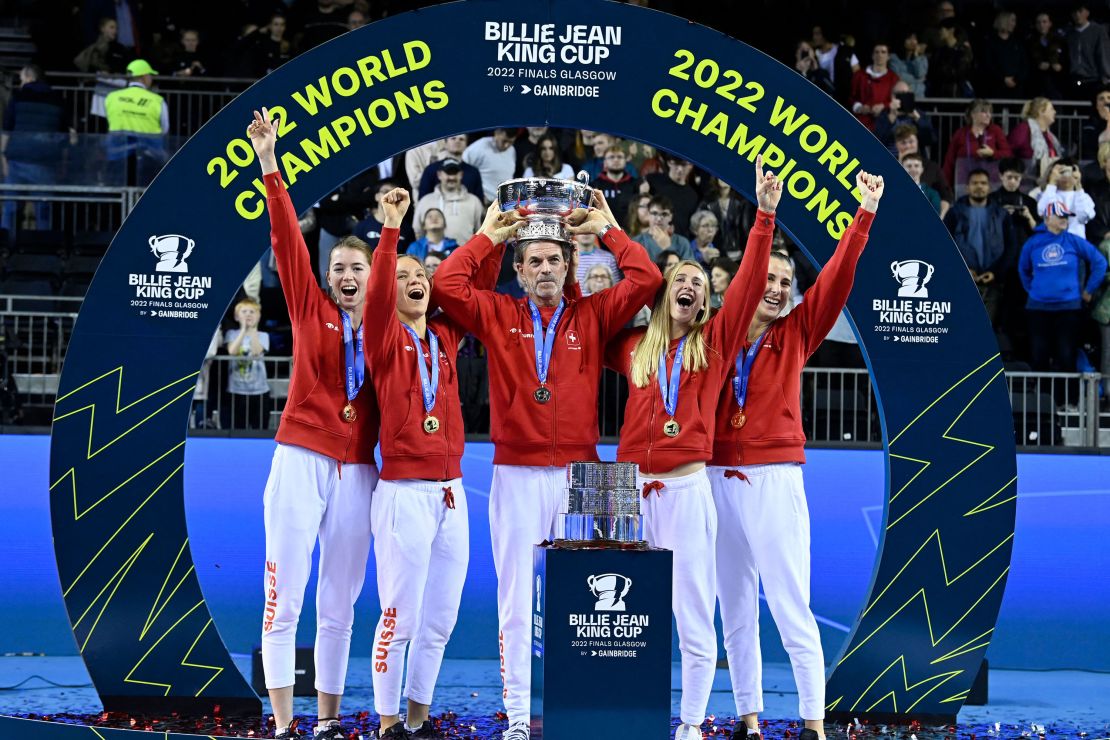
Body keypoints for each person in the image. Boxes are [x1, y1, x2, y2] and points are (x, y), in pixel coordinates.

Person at [431, 190, 661, 740]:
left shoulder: (594, 314)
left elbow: (648, 278)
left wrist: (606, 227)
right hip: (515, 472)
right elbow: (445, 286)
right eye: (533, 259)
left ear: (569, 264)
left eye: (555, 259)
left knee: (596, 604)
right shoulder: (499, 312)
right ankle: (516, 717)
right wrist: (491, 233)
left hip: (590, 475)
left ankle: (585, 709)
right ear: (518, 266)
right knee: (515, 598)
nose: (545, 268)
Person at [604, 156, 780, 740]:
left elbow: (752, 280)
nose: (689, 287)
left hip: (685, 489)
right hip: (626, 491)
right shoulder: (631, 348)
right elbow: (589, 314)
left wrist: (766, 217)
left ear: (706, 303)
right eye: (680, 279)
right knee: (617, 615)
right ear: (664, 292)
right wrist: (601, 229)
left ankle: (691, 724)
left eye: (699, 286)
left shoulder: (715, 344)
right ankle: (619, 711)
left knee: (692, 612)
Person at [709, 170, 883, 740]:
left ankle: (814, 723)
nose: (779, 288)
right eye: (771, 276)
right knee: (733, 610)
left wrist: (862, 218)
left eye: (787, 281)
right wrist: (764, 216)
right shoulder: (717, 333)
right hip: (714, 478)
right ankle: (750, 721)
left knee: (788, 604)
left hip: (773, 479)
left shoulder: (799, 332)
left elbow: (834, 282)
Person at [248, 108, 380, 740]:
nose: (346, 276)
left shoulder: (388, 334)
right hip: (301, 457)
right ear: (328, 277)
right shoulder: (309, 309)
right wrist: (271, 166)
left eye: (358, 269)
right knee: (285, 597)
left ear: (372, 277)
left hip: (358, 471)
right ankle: (282, 725)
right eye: (339, 269)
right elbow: (285, 241)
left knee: (339, 605)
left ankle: (325, 721)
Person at [363, 187, 478, 739]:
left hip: (451, 493)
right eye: (404, 273)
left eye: (421, 275)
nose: (415, 279)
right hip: (404, 492)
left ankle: (417, 718)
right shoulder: (382, 336)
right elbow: (383, 290)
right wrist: (391, 230)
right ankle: (388, 725)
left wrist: (493, 234)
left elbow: (461, 281)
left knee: (440, 621)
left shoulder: (445, 337)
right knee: (399, 617)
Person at [1020, 201, 1108, 370]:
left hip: (1068, 309)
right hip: (1038, 309)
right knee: (1039, 356)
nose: (1064, 219)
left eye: (1066, 216)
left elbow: (1100, 263)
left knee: (1066, 355)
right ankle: (1043, 396)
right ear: (1047, 219)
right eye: (1060, 216)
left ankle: (1066, 397)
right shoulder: (1033, 243)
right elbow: (1023, 269)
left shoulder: (1073, 240)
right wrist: (1033, 291)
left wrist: (1089, 290)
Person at [943, 168, 1018, 324]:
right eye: (975, 183)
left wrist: (996, 273)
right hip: (962, 281)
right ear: (967, 187)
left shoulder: (1002, 214)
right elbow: (944, 246)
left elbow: (1011, 247)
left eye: (983, 183)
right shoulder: (954, 213)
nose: (979, 186)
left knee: (987, 331)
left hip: (993, 283)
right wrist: (963, 270)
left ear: (989, 187)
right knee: (961, 326)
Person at [1, 64, 67, 233]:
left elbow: (7, 129)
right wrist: (62, 163)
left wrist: (4, 159)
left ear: (30, 78)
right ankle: (44, 247)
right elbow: (64, 135)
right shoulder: (57, 98)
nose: (20, 83)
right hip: (45, 159)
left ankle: (6, 247)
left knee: (11, 208)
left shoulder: (18, 96)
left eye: (22, 79)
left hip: (18, 158)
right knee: (44, 210)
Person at [103, 59, 169, 185]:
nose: (151, 79)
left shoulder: (112, 97)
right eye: (150, 75)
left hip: (117, 155)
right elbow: (165, 128)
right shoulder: (157, 101)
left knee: (118, 195)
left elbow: (109, 119)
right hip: (149, 158)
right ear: (144, 77)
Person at [223, 297, 272, 430]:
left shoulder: (263, 335)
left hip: (259, 391)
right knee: (238, 428)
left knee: (259, 429)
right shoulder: (231, 334)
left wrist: (252, 330)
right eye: (244, 312)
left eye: (252, 312)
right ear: (236, 316)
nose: (248, 314)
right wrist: (244, 330)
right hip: (236, 390)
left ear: (258, 316)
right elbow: (232, 351)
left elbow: (256, 352)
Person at [942, 99, 1012, 186]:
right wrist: (945, 188)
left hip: (991, 183)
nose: (988, 115)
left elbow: (1008, 153)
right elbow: (949, 162)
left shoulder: (995, 131)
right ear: (973, 114)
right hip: (965, 182)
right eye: (984, 112)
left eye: (990, 112)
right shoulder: (960, 134)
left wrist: (993, 153)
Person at [413, 159, 485, 244]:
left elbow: (480, 232)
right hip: (432, 256)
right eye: (448, 173)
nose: (452, 177)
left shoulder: (474, 201)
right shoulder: (425, 201)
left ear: (461, 175)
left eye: (455, 173)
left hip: (465, 256)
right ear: (439, 175)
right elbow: (418, 231)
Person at [1036, 158, 1096, 239]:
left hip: (1076, 243)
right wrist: (1052, 182)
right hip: (1053, 241)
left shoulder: (1083, 196)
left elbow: (1084, 216)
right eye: (1061, 172)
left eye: (1069, 171)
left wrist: (1078, 184)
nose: (1066, 176)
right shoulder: (1048, 193)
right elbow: (1043, 211)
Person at [849, 42, 900, 130]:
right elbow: (851, 97)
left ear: (888, 56)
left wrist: (884, 106)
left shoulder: (894, 78)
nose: (879, 55)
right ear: (872, 55)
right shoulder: (859, 76)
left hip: (885, 122)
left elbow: (897, 100)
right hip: (861, 121)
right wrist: (859, 107)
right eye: (876, 52)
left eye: (883, 52)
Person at [979, 11, 1028, 98]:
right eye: (1012, 20)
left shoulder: (1017, 43)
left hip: (1016, 88)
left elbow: (1024, 64)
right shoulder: (990, 42)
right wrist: (1003, 79)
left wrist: (1016, 79)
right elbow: (987, 65)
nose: (1014, 24)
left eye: (1015, 21)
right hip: (995, 88)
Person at [1065, 4, 1110, 100]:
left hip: (1093, 79)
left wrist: (1106, 76)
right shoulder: (1070, 34)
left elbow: (1103, 54)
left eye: (1080, 11)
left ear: (1087, 12)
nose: (1077, 15)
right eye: (1074, 12)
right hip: (1074, 79)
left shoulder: (1098, 31)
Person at [1008, 97, 1063, 173]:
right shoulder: (1023, 129)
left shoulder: (1050, 136)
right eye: (1051, 109)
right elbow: (1009, 151)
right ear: (1041, 111)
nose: (1055, 112)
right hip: (1028, 178)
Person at [590, 145, 638, 229]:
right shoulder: (595, 185)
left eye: (619, 157)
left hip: (631, 230)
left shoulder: (636, 184)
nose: (616, 160)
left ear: (625, 161)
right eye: (611, 157)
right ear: (604, 162)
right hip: (603, 230)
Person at [463, 128, 517, 203]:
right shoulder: (478, 148)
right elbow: (464, 170)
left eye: (510, 142)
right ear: (497, 133)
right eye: (504, 141)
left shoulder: (512, 150)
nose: (506, 145)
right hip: (484, 202)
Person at [636, 195, 695, 261]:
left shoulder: (682, 243)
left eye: (664, 214)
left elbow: (688, 269)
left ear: (671, 217)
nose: (658, 219)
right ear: (648, 215)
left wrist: (668, 247)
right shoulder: (637, 242)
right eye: (654, 213)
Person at [1028, 12, 1068, 99]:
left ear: (1050, 23)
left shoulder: (1059, 41)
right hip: (1036, 84)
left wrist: (1060, 66)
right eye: (1038, 22)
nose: (1041, 25)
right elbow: (1026, 62)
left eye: (1044, 22)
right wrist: (1037, 65)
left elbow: (1066, 60)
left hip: (1056, 84)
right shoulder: (1030, 41)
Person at [888, 31, 928, 97]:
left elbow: (920, 74)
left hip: (918, 95)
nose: (912, 41)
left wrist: (916, 56)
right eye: (909, 39)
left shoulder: (922, 59)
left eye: (914, 39)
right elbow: (897, 76)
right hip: (901, 95)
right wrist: (917, 80)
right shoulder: (894, 58)